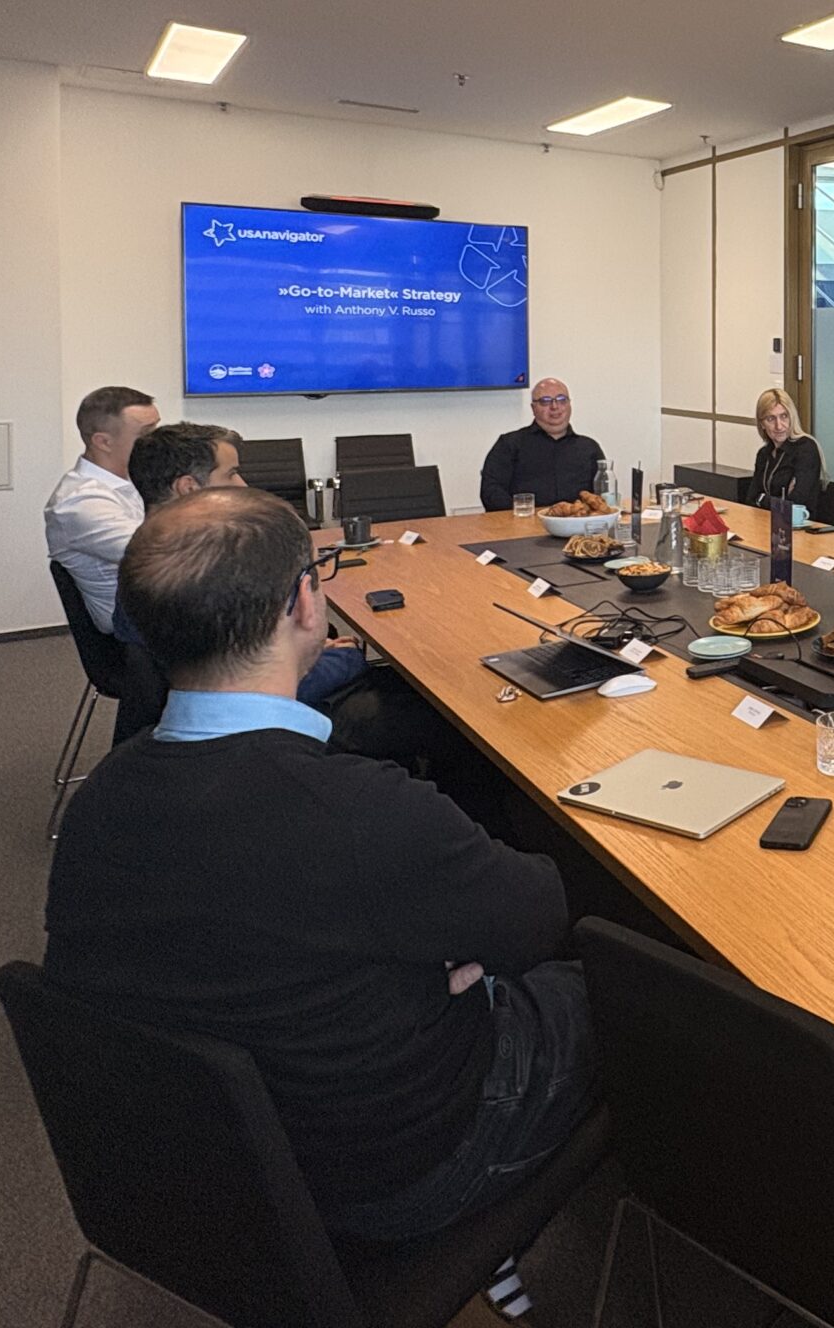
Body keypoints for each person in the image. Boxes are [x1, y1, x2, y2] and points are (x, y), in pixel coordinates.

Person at [45, 488, 595, 1252]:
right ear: (306, 603)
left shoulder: (99, 802)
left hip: (195, 1176)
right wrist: (441, 957)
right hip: (398, 1175)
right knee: (616, 985)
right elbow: (542, 917)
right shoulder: (360, 811)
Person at [119, 423, 468, 776]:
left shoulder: (153, 562)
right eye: (232, 473)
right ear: (188, 487)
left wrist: (306, 650)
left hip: (223, 725)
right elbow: (254, 687)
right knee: (452, 709)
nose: (242, 485)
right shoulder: (202, 573)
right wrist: (345, 658)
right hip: (284, 722)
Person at [43, 383, 160, 632]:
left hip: (159, 603)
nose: (159, 442)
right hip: (134, 626)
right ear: (104, 442)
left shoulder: (133, 477)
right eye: (147, 434)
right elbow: (158, 554)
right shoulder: (80, 502)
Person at [478, 378, 604, 510]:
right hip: (523, 521)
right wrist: (523, 515)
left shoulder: (589, 448)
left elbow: (603, 495)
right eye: (545, 401)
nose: (555, 407)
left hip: (580, 521)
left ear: (569, 405)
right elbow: (491, 492)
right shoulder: (509, 445)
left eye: (561, 400)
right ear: (533, 408)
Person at [744, 386, 825, 514]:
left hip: (799, 524)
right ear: (762, 424)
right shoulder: (764, 454)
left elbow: (796, 504)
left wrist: (762, 499)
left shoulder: (806, 448)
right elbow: (750, 499)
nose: (779, 426)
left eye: (784, 416)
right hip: (766, 521)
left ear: (792, 417)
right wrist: (779, 500)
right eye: (771, 419)